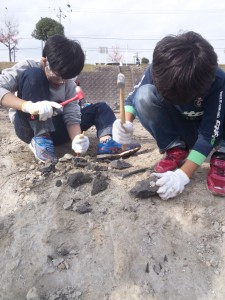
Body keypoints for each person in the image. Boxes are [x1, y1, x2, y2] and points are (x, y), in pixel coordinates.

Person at [113, 31, 225, 199]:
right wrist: (125, 124)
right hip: (184, 129)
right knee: (143, 95)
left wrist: (183, 175)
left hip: (215, 130)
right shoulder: (161, 68)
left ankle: (222, 153)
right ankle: (176, 148)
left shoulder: (215, 79)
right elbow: (131, 99)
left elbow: (210, 132)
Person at [0, 34, 140, 163]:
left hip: (57, 129)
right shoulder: (28, 67)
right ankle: (41, 138)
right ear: (44, 61)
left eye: (66, 77)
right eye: (57, 76)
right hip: (28, 127)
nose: (61, 82)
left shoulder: (68, 82)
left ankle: (106, 143)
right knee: (33, 75)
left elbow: (72, 115)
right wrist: (27, 106)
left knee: (100, 108)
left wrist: (77, 140)